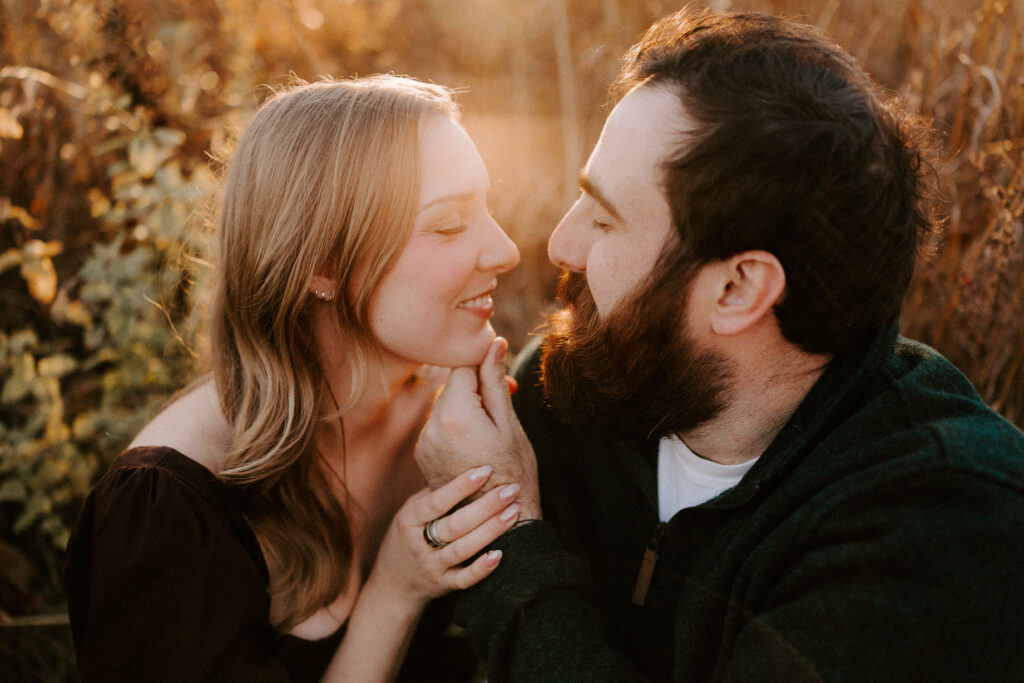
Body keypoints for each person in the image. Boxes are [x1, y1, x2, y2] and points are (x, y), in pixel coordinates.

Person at [414, 8, 1024, 681]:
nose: (562, 244)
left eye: (606, 219)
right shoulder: (568, 392)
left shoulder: (941, 526)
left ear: (739, 286)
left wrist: (508, 532)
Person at [63, 74, 523, 682]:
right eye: (447, 224)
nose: (507, 250)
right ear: (324, 265)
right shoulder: (166, 514)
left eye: (488, 209)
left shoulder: (458, 420)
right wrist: (394, 591)